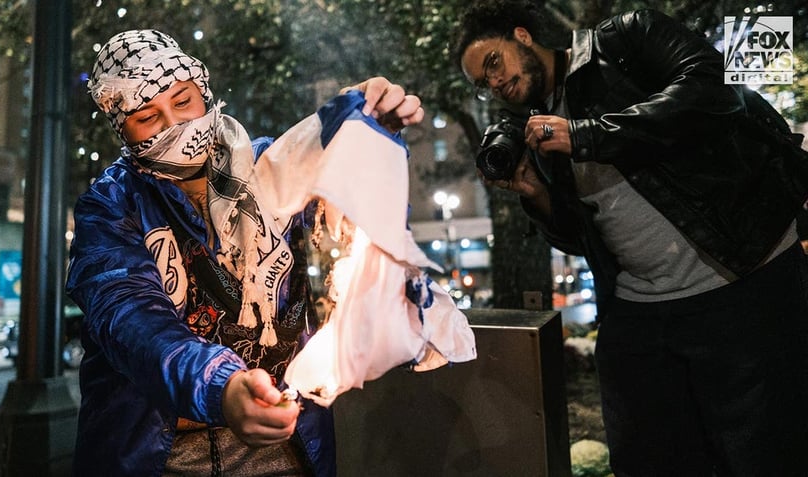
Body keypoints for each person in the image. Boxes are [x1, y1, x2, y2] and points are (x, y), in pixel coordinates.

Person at [451, 2, 808, 475]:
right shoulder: (538, 128)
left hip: (742, 280)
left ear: (521, 35)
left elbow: (712, 90)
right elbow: (586, 238)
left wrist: (586, 135)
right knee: (647, 459)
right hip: (641, 310)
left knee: (766, 454)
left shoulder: (623, 41)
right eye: (482, 83)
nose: (493, 83)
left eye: (492, 63)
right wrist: (535, 193)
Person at [65, 29, 424, 477]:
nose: (174, 124)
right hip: (159, 457)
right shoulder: (110, 206)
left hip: (285, 451)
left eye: (182, 101)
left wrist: (368, 134)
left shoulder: (273, 169)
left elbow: (355, 220)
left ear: (203, 91)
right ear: (122, 127)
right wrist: (223, 388)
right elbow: (130, 320)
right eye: (147, 117)